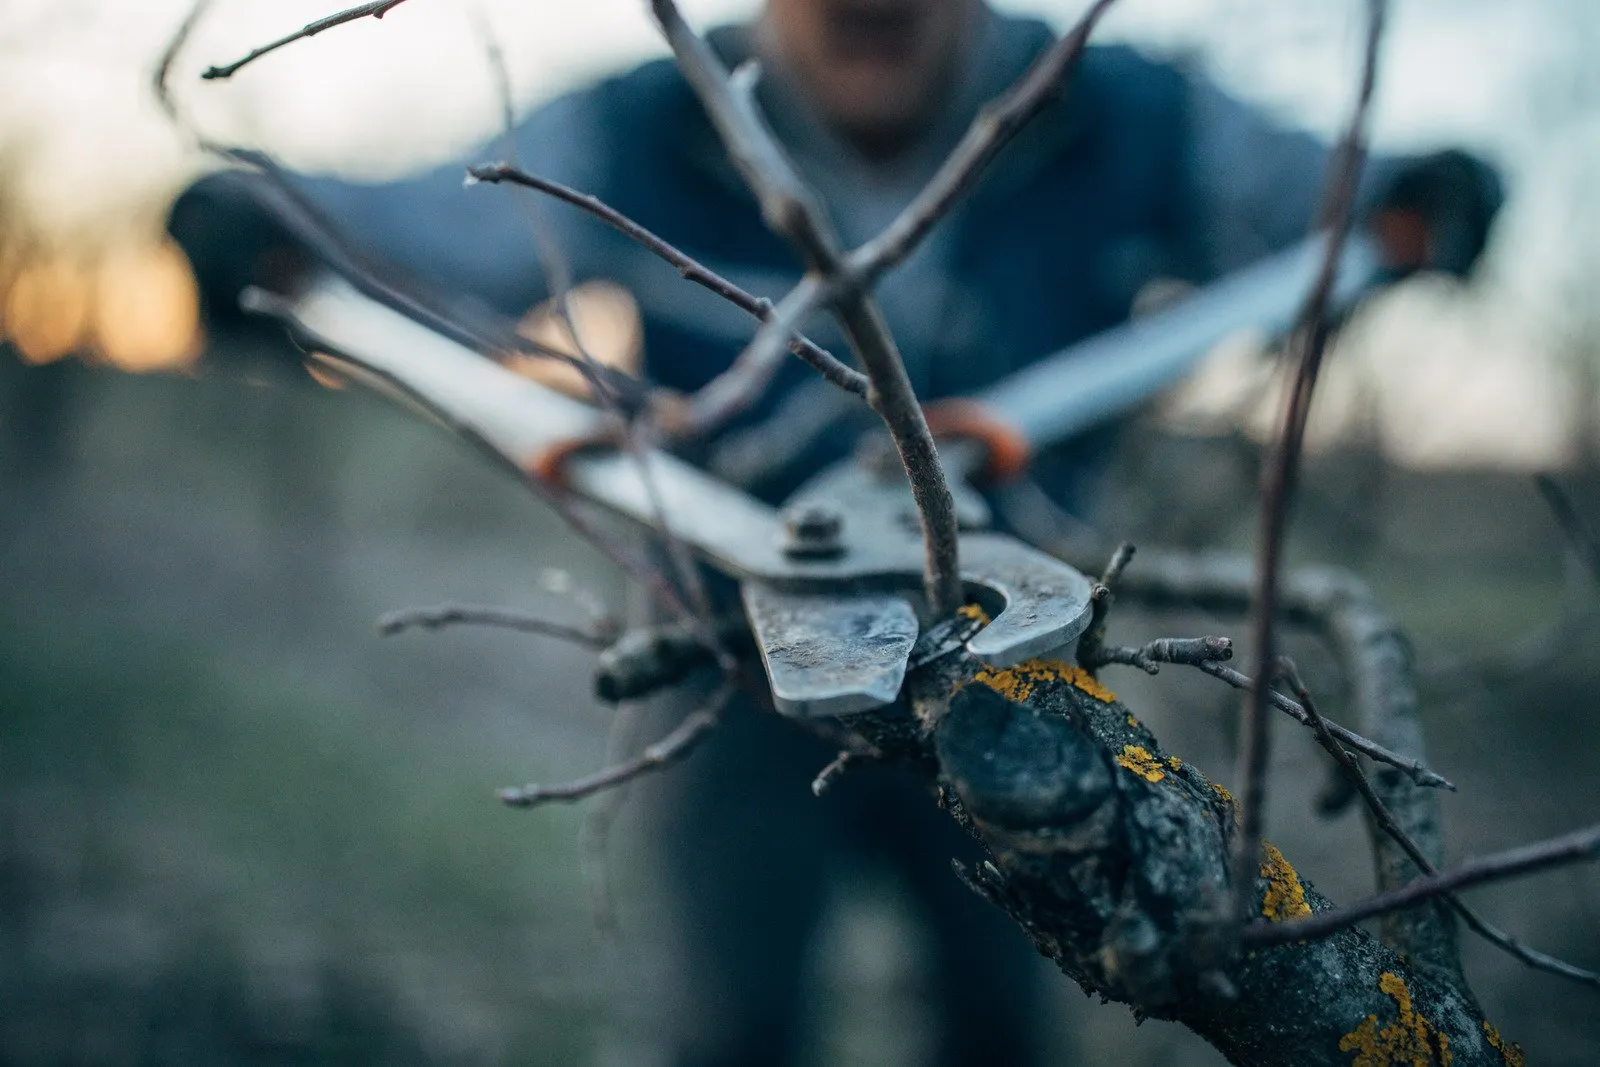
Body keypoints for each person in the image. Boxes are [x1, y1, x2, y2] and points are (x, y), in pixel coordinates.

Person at [170, 2, 1502, 1064]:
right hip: (730, 666)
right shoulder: (645, 121)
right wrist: (278, 234)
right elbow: (425, 232)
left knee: (1004, 1027)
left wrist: (1409, 200)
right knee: (730, 1027)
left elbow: (1322, 196)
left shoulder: (1124, 107)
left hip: (1022, 674)